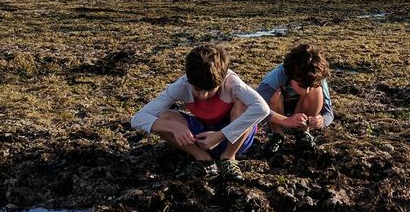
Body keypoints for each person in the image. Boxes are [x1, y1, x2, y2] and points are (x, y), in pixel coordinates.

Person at [130, 43, 268, 181]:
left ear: (221, 81)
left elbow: (262, 109)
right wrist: (174, 127)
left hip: (233, 139)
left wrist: (220, 135)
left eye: (209, 91)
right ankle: (203, 159)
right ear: (189, 80)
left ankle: (228, 158)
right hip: (200, 138)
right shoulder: (181, 85)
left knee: (243, 105)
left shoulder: (232, 82)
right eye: (197, 89)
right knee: (163, 116)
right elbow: (138, 118)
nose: (203, 95)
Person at [256, 42, 333, 154]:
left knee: (316, 90)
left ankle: (302, 132)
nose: (306, 90)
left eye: (309, 86)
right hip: (279, 112)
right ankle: (277, 135)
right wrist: (285, 121)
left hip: (302, 114)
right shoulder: (275, 77)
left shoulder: (317, 77)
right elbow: (255, 107)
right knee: (273, 94)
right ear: (291, 74)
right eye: (302, 85)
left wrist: (321, 121)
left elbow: (329, 113)